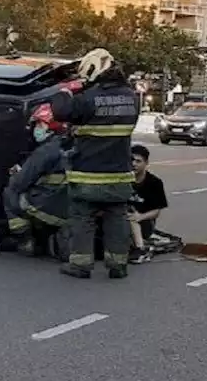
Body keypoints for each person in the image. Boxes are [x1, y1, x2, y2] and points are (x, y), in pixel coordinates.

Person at [50, 48, 140, 279]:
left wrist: (66, 90)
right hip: (120, 175)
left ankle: (81, 265)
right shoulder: (132, 98)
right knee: (116, 218)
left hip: (88, 174)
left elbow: (60, 112)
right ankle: (117, 265)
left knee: (83, 218)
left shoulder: (88, 99)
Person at [3, 104, 70, 258]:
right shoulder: (73, 145)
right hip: (73, 209)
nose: (36, 129)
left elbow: (19, 183)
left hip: (48, 206)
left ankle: (24, 239)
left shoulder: (45, 151)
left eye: (39, 124)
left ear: (50, 127)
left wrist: (16, 174)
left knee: (9, 192)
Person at [128, 144, 168, 264]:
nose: (134, 164)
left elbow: (156, 211)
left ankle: (141, 249)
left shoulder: (155, 183)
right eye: (131, 160)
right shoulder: (123, 180)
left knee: (132, 218)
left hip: (144, 223)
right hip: (121, 218)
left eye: (138, 161)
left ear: (146, 163)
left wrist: (139, 217)